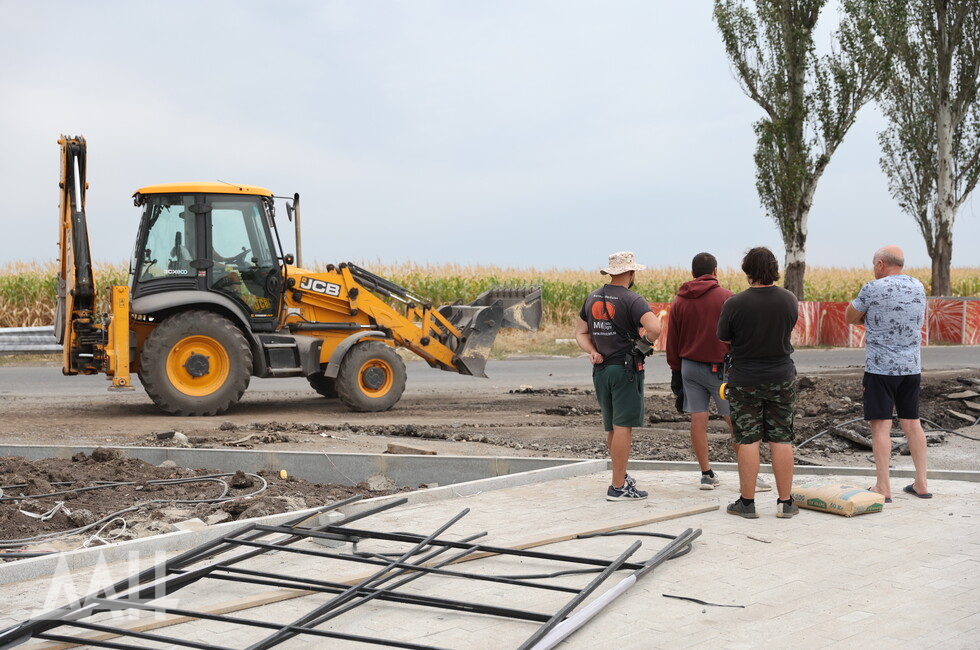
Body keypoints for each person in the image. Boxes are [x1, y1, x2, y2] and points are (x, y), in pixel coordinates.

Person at [666, 252, 772, 492]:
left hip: (689, 367)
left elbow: (672, 339)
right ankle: (751, 477)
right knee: (736, 423)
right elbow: (739, 336)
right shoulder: (727, 298)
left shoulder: (680, 300)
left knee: (698, 419)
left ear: (693, 273)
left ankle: (706, 474)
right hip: (720, 369)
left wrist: (675, 370)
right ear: (715, 271)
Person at [717, 247, 799, 518]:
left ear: (747, 270)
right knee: (781, 437)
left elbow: (724, 338)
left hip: (745, 379)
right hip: (781, 377)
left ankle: (747, 503)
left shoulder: (735, 303)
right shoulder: (789, 299)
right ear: (774, 269)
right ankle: (786, 503)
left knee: (748, 439)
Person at [845, 245, 929, 502]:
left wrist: (868, 317)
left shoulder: (873, 288)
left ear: (881, 263)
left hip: (880, 368)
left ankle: (883, 486)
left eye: (874, 264)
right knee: (912, 424)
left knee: (881, 425)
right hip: (911, 367)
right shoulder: (918, 286)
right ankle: (922, 484)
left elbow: (850, 316)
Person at [576, 251, 662, 501]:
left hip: (601, 370)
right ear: (632, 272)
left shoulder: (593, 297)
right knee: (623, 427)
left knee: (612, 427)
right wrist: (644, 343)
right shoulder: (633, 300)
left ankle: (620, 476)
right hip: (625, 369)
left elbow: (581, 333)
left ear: (611, 272)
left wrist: (593, 351)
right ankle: (617, 487)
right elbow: (656, 328)